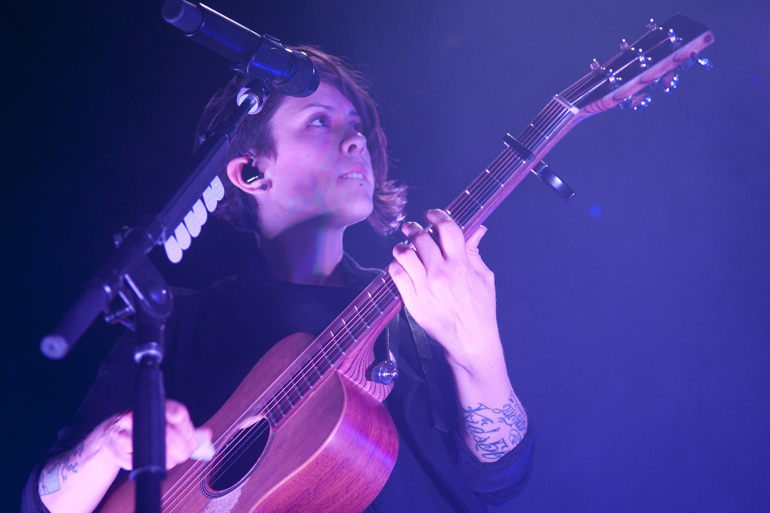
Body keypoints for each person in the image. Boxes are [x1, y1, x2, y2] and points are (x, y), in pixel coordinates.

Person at [23, 46, 533, 513]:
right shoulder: (175, 321)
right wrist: (106, 444)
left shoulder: (420, 300)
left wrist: (480, 347)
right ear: (250, 174)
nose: (356, 140)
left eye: (356, 126)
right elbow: (44, 504)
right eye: (319, 121)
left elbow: (500, 480)